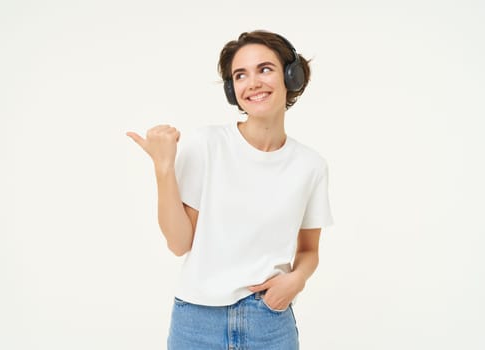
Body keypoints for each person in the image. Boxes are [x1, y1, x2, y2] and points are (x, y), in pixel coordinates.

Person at [126, 30, 333, 350]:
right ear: (231, 89)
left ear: (291, 76)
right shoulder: (205, 145)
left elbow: (309, 251)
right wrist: (164, 168)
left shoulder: (311, 165)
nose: (252, 83)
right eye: (240, 75)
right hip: (196, 322)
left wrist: (295, 280)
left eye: (265, 69)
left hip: (270, 321)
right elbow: (179, 243)